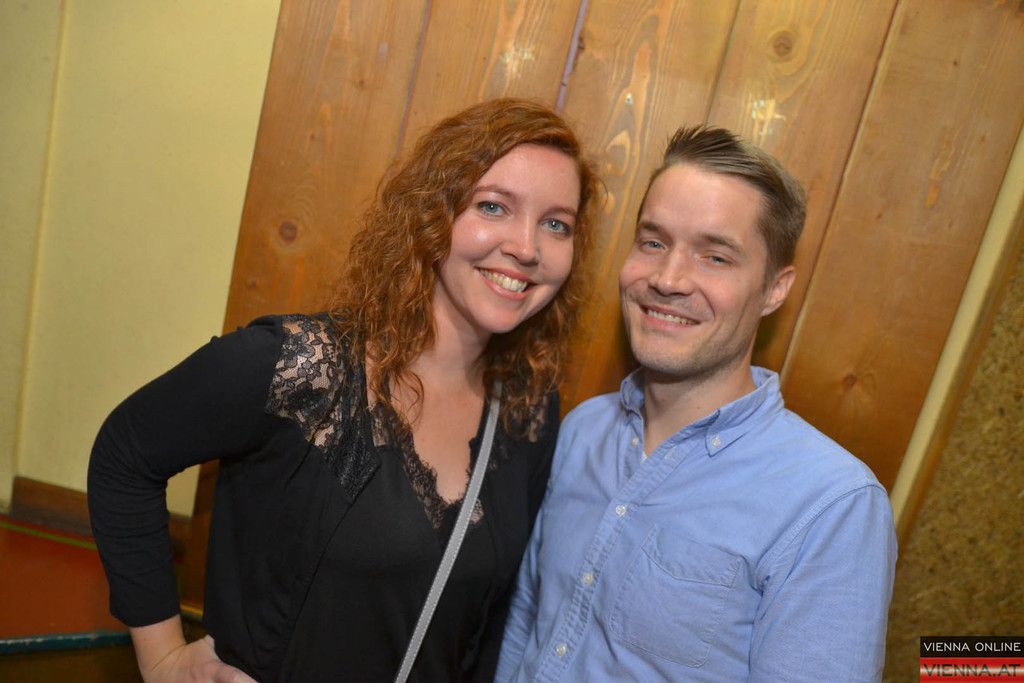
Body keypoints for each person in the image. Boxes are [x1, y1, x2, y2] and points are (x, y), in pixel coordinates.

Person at [88, 98, 597, 682]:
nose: (527, 247)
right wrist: (163, 660)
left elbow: (485, 624)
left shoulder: (528, 411)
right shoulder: (303, 368)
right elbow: (125, 453)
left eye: (556, 224)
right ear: (432, 213)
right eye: (493, 206)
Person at [496, 125, 897, 682]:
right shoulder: (583, 431)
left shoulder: (830, 504)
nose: (668, 279)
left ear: (775, 289)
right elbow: (526, 625)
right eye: (654, 242)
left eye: (715, 257)